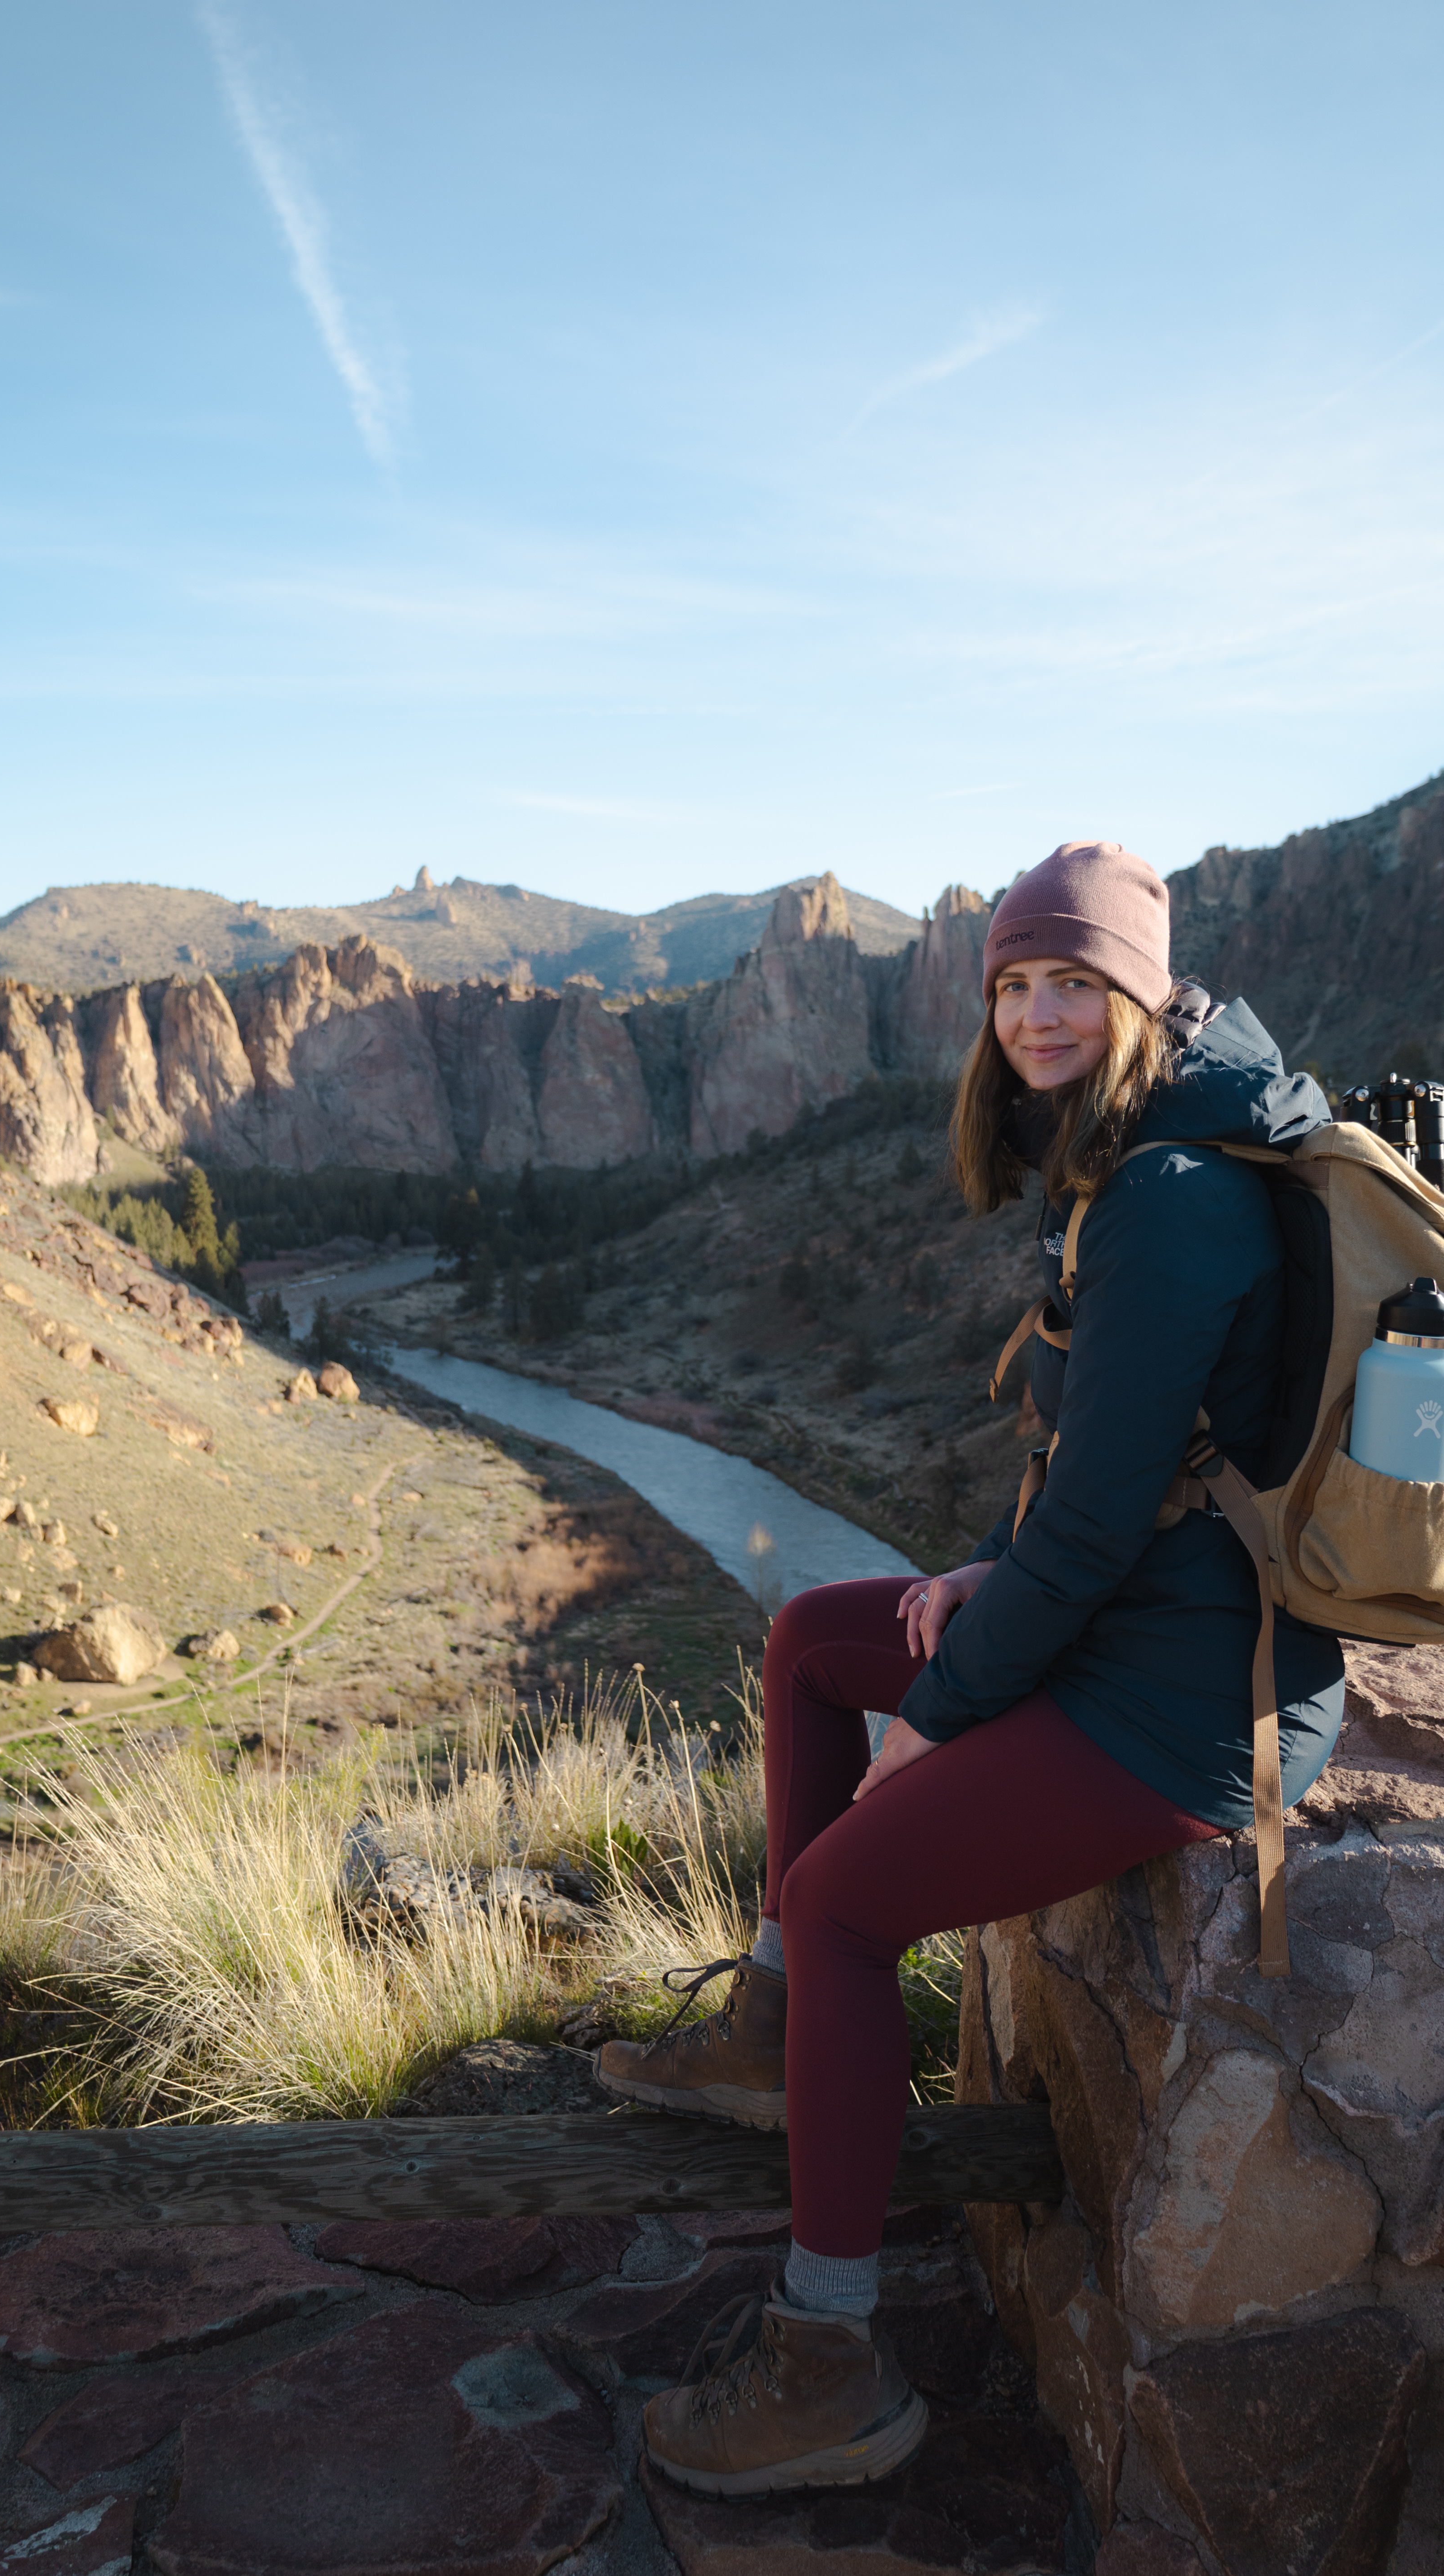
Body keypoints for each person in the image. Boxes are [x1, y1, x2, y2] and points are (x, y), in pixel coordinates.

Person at [596, 838, 1345, 2499]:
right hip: (1130, 1617)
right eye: (1013, 983)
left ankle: (828, 2357)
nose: (1036, 1013)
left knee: (860, 1892)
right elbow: (1117, 1489)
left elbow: (1092, 1543)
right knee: (807, 1640)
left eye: (1073, 979)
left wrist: (939, 1713)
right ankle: (767, 2028)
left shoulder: (1173, 1198)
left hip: (1186, 1706)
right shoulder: (1143, 1153)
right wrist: (978, 1578)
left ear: (1140, 991)